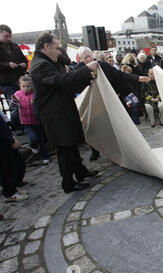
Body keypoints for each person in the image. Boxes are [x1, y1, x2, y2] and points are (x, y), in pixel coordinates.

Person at [30, 33, 99, 193]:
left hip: (61, 109)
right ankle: (68, 182)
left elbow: (65, 71)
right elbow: (62, 80)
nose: (59, 51)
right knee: (65, 147)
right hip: (55, 114)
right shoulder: (41, 65)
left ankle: (80, 172)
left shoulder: (46, 61)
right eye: (56, 48)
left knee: (71, 143)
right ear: (46, 47)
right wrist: (86, 69)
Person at [12, 76, 49, 164]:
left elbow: (42, 103)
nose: (26, 88)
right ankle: (32, 145)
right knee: (33, 137)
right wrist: (14, 101)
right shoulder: (18, 94)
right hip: (26, 121)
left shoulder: (35, 93)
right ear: (20, 86)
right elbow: (13, 104)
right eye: (23, 86)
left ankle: (45, 157)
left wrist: (36, 102)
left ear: (32, 85)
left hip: (37, 120)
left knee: (42, 140)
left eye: (28, 86)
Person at [0, 25, 28, 136]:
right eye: (6, 36)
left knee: (24, 104)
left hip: (19, 79)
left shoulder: (15, 46)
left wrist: (23, 64)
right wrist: (8, 65)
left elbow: (24, 59)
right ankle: (17, 128)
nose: (8, 39)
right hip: (7, 81)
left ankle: (26, 125)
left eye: (10, 36)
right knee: (14, 106)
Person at [0, 115, 27, 202]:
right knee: (7, 169)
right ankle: (10, 192)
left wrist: (12, 137)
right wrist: (11, 141)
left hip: (7, 140)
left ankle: (13, 187)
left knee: (17, 164)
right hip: (3, 144)